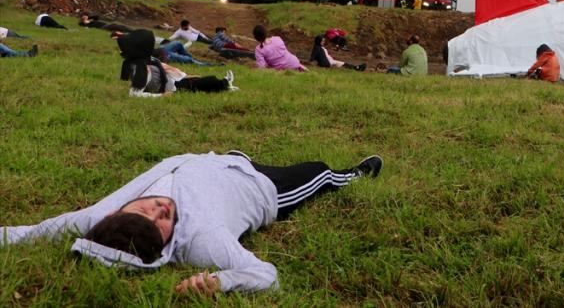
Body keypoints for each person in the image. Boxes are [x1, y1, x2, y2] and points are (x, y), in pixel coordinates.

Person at [0, 151, 383, 294]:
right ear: (166, 246)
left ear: (119, 214)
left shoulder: (99, 216)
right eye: (160, 223)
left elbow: (31, 232)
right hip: (264, 188)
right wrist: (221, 281)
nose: (158, 209)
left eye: (144, 210)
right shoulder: (203, 241)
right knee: (317, 171)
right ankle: (355, 175)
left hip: (224, 159)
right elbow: (267, 274)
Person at [129, 61, 237, 96]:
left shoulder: (147, 64)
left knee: (200, 81)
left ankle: (225, 86)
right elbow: (134, 95)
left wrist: (186, 75)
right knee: (209, 81)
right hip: (173, 88)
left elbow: (166, 69)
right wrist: (161, 96)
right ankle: (226, 83)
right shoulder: (140, 73)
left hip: (175, 81)